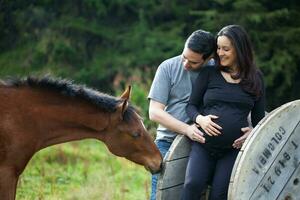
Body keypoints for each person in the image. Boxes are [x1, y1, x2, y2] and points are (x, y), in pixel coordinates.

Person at [181, 24, 266, 200]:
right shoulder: (209, 73)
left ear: (239, 49)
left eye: (225, 49)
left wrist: (252, 133)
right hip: (204, 145)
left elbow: (259, 120)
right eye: (218, 48)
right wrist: (200, 119)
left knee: (219, 194)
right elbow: (191, 106)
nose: (220, 53)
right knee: (192, 185)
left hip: (232, 150)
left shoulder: (256, 78)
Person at [147, 29, 216, 200]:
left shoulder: (216, 70)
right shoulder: (167, 67)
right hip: (167, 143)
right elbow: (154, 112)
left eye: (192, 62)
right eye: (184, 57)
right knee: (162, 196)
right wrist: (186, 129)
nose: (185, 64)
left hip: (205, 145)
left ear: (208, 58)